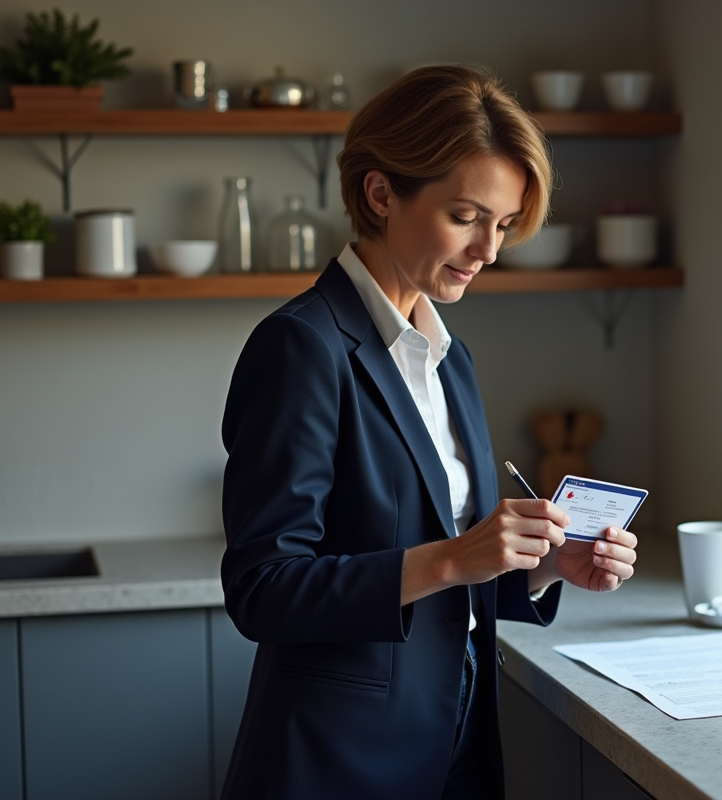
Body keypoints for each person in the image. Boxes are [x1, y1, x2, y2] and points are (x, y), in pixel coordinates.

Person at [218, 64, 639, 800]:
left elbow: (462, 575)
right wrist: (452, 557)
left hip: (457, 744)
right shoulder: (301, 347)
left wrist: (544, 567)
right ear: (382, 194)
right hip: (337, 762)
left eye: (504, 225)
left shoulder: (452, 360)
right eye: (467, 216)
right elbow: (263, 590)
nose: (490, 250)